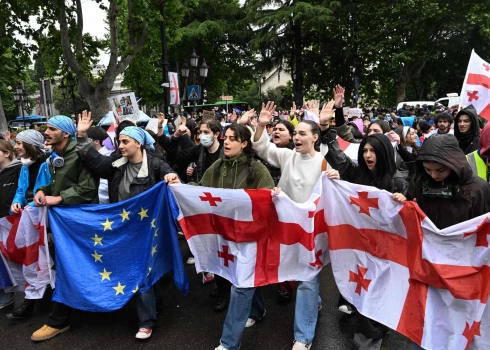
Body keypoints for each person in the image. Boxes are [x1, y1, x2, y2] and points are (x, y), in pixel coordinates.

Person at [164, 124, 275, 350]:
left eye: (233, 139)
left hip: (249, 238)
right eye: (226, 138)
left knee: (241, 285)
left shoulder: (258, 170)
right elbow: (201, 189)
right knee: (241, 278)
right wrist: (180, 186)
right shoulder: (217, 167)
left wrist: (274, 195)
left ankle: (228, 343)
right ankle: (257, 310)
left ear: (244, 143)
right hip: (225, 236)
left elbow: (269, 201)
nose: (227, 142)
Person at [75, 111, 178, 339]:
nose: (120, 145)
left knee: (140, 272)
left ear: (138, 143)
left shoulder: (156, 165)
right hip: (123, 231)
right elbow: (95, 162)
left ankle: (146, 321)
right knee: (146, 272)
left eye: (125, 141)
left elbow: (171, 177)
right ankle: (154, 306)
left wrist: (172, 178)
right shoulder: (115, 164)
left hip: (148, 231)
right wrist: (82, 136)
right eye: (119, 141)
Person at [252, 101, 338, 350]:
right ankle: (315, 302)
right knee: (300, 275)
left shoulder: (323, 162)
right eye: (296, 132)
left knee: (307, 279)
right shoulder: (287, 156)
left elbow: (335, 189)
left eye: (302, 133)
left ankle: (303, 337)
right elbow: (260, 146)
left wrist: (335, 177)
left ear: (314, 137)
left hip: (311, 231)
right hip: (287, 228)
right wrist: (261, 123)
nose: (297, 137)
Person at [30, 115, 98, 342]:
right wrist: (42, 190)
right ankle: (62, 316)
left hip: (79, 222)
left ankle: (59, 320)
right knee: (66, 266)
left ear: (65, 134)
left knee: (72, 266)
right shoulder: (54, 157)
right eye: (45, 128)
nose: (45, 132)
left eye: (51, 128)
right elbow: (57, 183)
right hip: (65, 223)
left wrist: (59, 198)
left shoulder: (80, 154)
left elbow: (87, 189)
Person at [7, 130, 51, 321]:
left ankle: (39, 300)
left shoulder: (47, 164)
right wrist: (17, 201)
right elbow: (21, 189)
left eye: (19, 143)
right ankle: (33, 299)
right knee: (31, 258)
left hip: (44, 220)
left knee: (44, 259)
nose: (15, 147)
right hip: (29, 218)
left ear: (30, 145)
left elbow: (47, 191)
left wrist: (31, 206)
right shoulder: (25, 166)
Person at [407, 134, 490, 229]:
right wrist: (404, 201)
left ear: (453, 164)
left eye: (440, 170)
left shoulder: (477, 189)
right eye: (428, 169)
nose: (434, 175)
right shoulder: (418, 182)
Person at [0, 140, 22, 310]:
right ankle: (6, 296)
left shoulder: (19, 169)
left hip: (15, 222)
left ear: (7, 153)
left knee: (18, 259)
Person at [86, 127, 112, 204]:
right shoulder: (86, 156)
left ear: (96, 141)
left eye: (86, 140)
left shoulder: (108, 157)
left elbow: (104, 187)